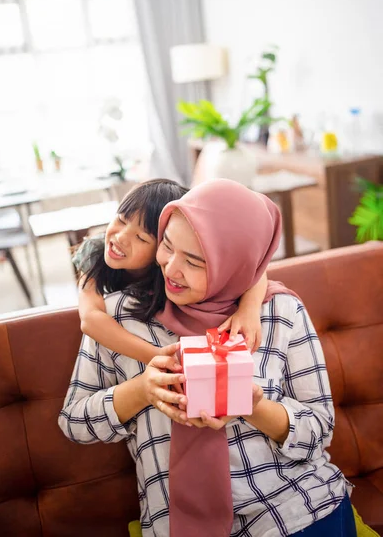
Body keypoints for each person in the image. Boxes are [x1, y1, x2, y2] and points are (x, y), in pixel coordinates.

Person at [59, 179, 356, 537]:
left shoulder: (278, 311)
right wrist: (143, 390)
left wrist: (254, 406)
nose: (170, 269)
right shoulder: (118, 318)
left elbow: (319, 431)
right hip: (180, 524)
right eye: (167, 246)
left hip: (296, 509)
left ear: (234, 264)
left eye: (195, 262)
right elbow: (74, 422)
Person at [72, 178, 267, 364]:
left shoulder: (171, 265)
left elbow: (254, 270)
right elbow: (90, 319)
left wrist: (248, 310)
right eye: (121, 220)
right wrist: (159, 357)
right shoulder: (94, 253)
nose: (121, 237)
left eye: (141, 238)